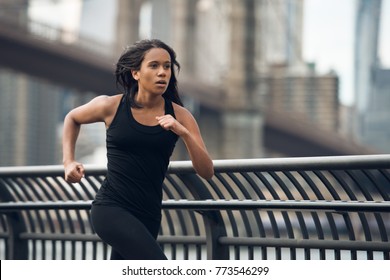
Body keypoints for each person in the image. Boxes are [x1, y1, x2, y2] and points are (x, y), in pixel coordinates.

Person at [62, 39, 214, 260]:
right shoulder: (111, 106)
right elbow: (72, 117)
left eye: (167, 66)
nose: (162, 72)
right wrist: (68, 161)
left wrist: (184, 133)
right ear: (136, 73)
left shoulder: (181, 116)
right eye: (154, 66)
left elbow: (207, 171)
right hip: (111, 209)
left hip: (149, 215)